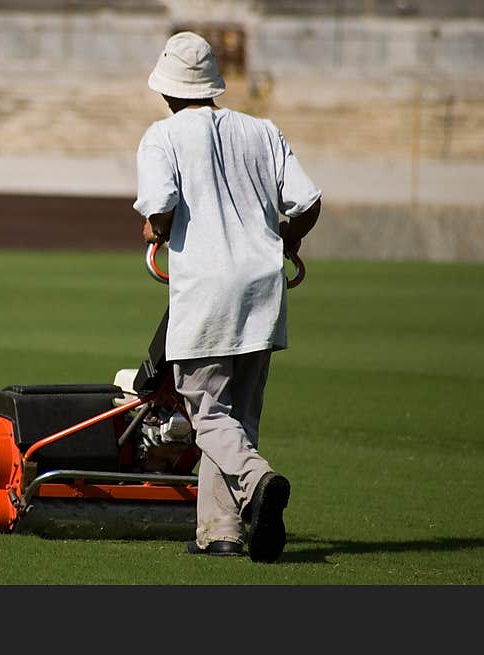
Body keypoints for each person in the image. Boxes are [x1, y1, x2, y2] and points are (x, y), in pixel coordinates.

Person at [133, 31, 322, 562]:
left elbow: (162, 205)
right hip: (263, 287)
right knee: (239, 415)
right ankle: (222, 533)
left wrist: (155, 230)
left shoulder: (162, 136)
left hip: (207, 288)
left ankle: (259, 479)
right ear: (211, 85)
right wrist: (289, 239)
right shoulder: (261, 131)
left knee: (206, 413)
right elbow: (307, 200)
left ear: (167, 90)